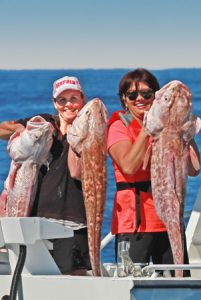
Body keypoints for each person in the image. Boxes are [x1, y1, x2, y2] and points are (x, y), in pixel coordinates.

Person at [107, 68, 200, 276]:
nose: (140, 99)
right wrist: (148, 129)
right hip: (135, 226)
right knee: (132, 284)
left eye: (147, 94)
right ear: (124, 99)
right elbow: (129, 166)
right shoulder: (118, 127)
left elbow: (194, 169)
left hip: (169, 223)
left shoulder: (170, 128)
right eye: (132, 95)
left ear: (155, 97)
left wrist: (184, 129)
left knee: (177, 284)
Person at [0, 76, 91, 275]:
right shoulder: (44, 123)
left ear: (83, 99)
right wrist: (21, 130)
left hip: (74, 221)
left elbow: (80, 172)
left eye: (74, 98)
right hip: (36, 221)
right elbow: (2, 129)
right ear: (54, 103)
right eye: (62, 100)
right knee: (36, 279)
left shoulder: (90, 129)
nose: (69, 104)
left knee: (74, 276)